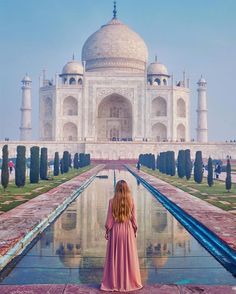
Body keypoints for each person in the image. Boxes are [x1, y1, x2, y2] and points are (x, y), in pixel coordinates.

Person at [100, 180, 143, 292]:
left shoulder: (111, 201)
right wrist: (135, 230)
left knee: (115, 256)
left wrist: (107, 230)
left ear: (116, 189)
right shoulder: (131, 201)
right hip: (127, 231)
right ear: (127, 189)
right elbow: (134, 219)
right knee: (128, 257)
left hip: (116, 231)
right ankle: (128, 282)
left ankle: (114, 283)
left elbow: (109, 220)